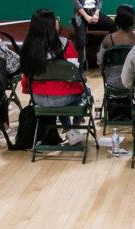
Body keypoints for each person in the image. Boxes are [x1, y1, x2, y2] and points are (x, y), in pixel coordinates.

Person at [20, 8, 89, 144]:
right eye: (55, 19)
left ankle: (69, 131)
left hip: (38, 98)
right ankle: (73, 129)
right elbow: (75, 74)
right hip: (63, 99)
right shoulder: (65, 44)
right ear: (51, 25)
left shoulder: (27, 47)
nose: (58, 21)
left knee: (59, 92)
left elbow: (26, 76)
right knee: (85, 92)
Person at [71, 0, 116, 69]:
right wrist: (86, 16)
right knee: (81, 41)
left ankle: (111, 60)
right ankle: (80, 70)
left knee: (113, 26)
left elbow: (100, 1)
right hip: (81, 13)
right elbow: (76, 1)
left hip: (94, 11)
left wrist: (96, 14)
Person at [98, 4, 135, 90]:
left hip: (112, 83)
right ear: (134, 20)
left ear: (116, 20)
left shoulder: (107, 40)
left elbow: (100, 62)